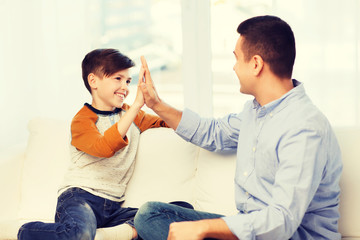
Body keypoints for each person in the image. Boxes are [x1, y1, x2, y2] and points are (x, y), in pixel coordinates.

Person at [134, 15, 343, 240]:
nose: (234, 68)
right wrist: (156, 104)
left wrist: (203, 228)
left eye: (236, 59)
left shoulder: (304, 128)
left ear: (255, 64)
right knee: (150, 215)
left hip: (287, 235)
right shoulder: (254, 112)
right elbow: (212, 132)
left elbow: (282, 221)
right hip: (250, 230)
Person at [17, 49, 169, 240]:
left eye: (128, 81)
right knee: (79, 235)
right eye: (118, 78)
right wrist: (137, 106)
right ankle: (26, 231)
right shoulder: (82, 121)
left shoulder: (131, 115)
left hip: (113, 207)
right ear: (93, 81)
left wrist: (156, 102)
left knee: (172, 216)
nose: (125, 87)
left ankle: (124, 231)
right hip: (79, 198)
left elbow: (167, 122)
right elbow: (103, 147)